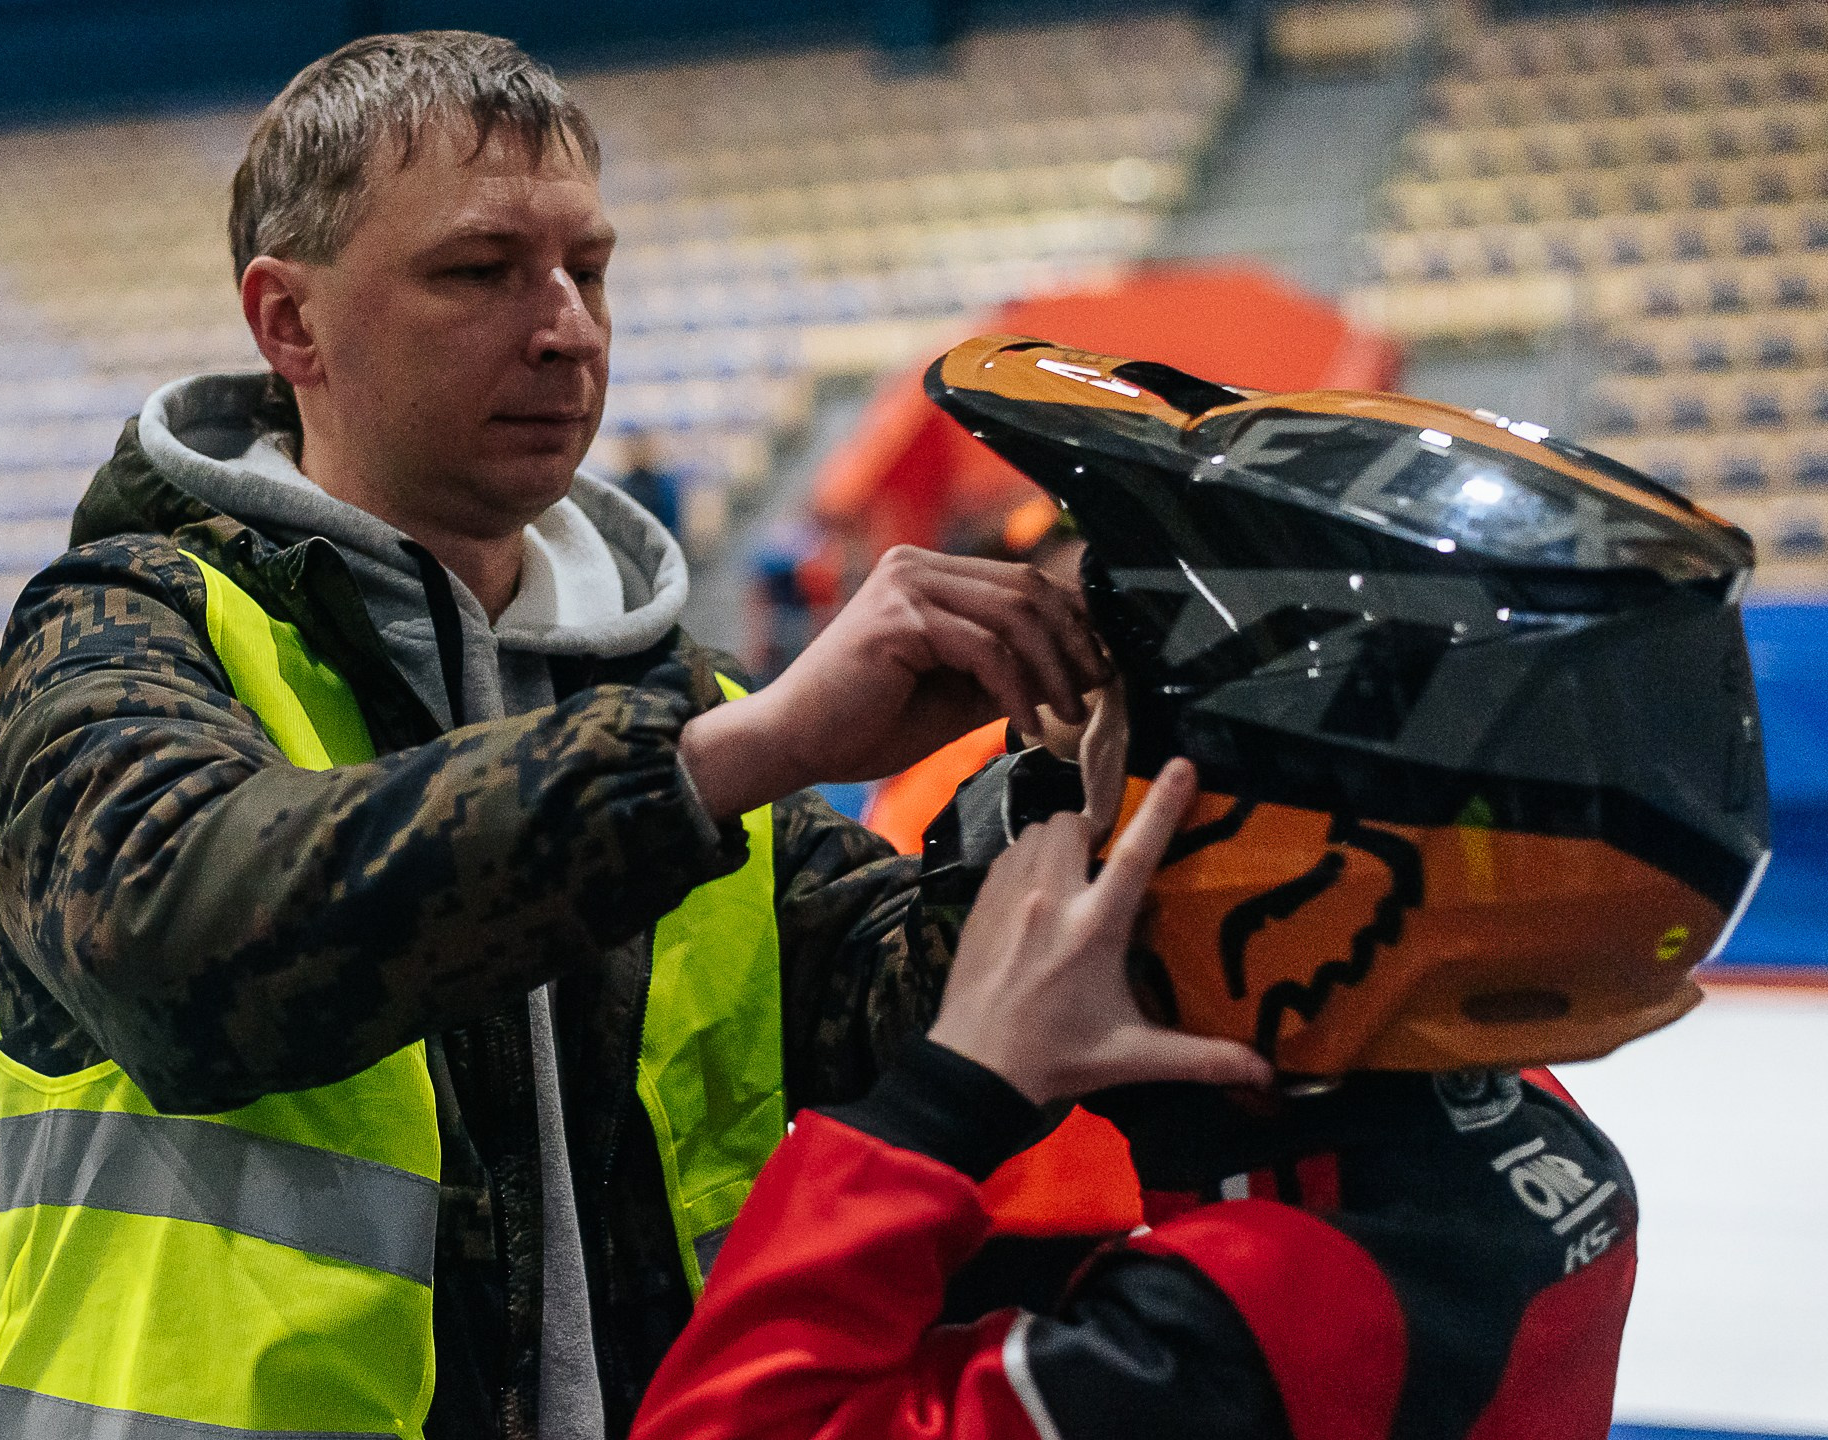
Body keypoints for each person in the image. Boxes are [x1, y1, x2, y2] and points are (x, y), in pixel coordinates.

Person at [0, 40, 1110, 1440]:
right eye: (480, 273)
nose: (567, 328)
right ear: (288, 324)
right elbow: (174, 945)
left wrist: (1078, 748)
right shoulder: (127, 625)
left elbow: (895, 1011)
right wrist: (730, 754)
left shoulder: (678, 697)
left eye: (588, 271)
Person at [628, 335, 1772, 1440]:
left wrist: (945, 1097)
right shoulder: (1542, 1152)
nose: (1060, 781)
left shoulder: (1235, 1324)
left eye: (1116, 727)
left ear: (1292, 846)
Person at [613, 429, 682, 536]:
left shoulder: (663, 485)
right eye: (633, 449)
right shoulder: (624, 484)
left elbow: (670, 522)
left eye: (640, 448)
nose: (636, 453)